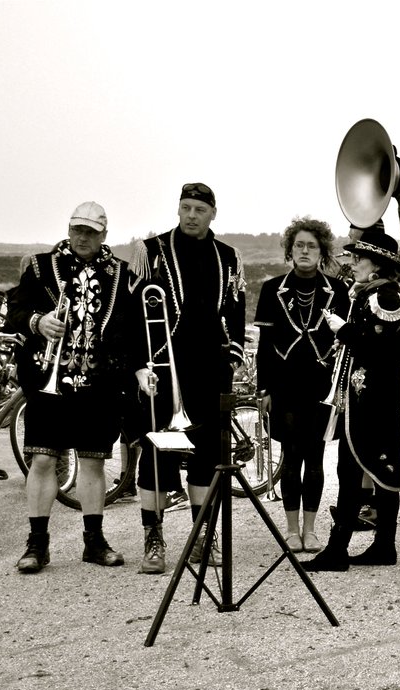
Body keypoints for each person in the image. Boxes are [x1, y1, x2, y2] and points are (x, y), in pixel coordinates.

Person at [6, 201, 141, 573]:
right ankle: (37, 545)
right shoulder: (40, 266)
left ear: (104, 236)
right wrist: (38, 322)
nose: (83, 237)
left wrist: (130, 374)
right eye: (77, 230)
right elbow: (12, 313)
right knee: (44, 458)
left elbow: (131, 331)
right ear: (68, 229)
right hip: (48, 377)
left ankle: (94, 542)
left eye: (91, 232)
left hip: (100, 385)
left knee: (94, 463)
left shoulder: (123, 274)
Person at [129, 183, 246, 574]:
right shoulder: (151, 251)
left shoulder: (228, 257)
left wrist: (232, 355)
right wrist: (139, 366)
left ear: (213, 213)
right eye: (185, 207)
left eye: (199, 209)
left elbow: (235, 310)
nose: (191, 215)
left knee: (207, 457)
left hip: (210, 371)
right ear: (178, 209)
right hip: (160, 372)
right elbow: (131, 318)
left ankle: (202, 537)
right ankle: (154, 539)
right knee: (156, 457)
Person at [304, 222, 400, 571]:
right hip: (365, 398)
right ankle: (382, 546)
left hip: (374, 401)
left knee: (357, 469)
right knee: (365, 469)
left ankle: (341, 550)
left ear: (376, 263)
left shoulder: (385, 295)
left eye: (360, 258)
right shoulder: (371, 291)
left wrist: (344, 329)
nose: (353, 263)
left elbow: (381, 349)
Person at [253, 217, 350, 553]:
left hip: (321, 387)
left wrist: (341, 390)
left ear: (322, 250)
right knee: (290, 457)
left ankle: (311, 529)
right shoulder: (271, 289)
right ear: (290, 250)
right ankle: (291, 530)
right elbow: (264, 346)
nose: (305, 251)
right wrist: (263, 390)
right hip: (284, 386)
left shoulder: (337, 291)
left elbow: (346, 344)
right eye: (299, 245)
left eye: (311, 245)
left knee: (316, 457)